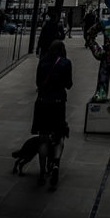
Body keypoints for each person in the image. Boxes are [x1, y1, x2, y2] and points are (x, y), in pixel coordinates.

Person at [32, 39, 72, 189]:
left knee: (43, 138)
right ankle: (55, 164)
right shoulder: (66, 63)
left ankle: (42, 172)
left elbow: (37, 82)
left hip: (42, 102)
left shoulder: (42, 62)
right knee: (59, 135)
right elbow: (69, 84)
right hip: (58, 103)